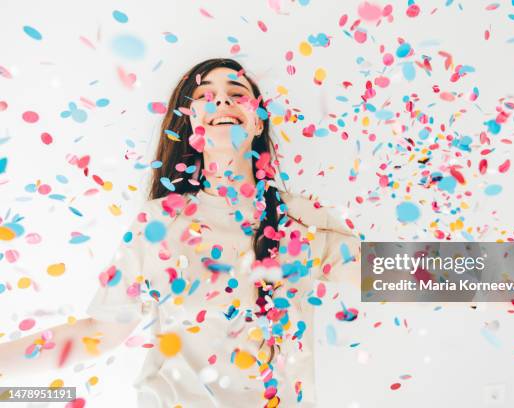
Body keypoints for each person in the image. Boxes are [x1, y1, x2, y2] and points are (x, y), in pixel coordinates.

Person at [0, 58, 362, 407]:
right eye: (205, 95)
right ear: (192, 126)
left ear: (257, 122)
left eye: (237, 93)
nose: (222, 99)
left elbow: (401, 274)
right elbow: (99, 331)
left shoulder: (297, 224)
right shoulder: (158, 222)